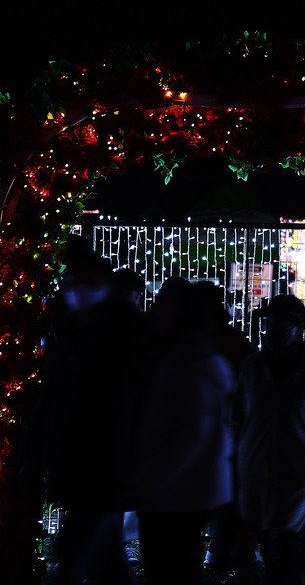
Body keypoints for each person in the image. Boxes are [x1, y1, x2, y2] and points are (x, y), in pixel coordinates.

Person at [20, 239, 147, 585]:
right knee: (106, 559)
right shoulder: (70, 334)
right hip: (82, 465)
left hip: (106, 467)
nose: (80, 291)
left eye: (88, 283)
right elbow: (52, 398)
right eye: (75, 283)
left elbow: (134, 405)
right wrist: (33, 455)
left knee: (75, 556)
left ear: (106, 287)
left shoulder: (126, 335)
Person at [234, 293, 305, 585]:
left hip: (297, 474)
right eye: (269, 325)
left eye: (280, 327)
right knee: (269, 542)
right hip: (256, 471)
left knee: (285, 548)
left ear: (298, 330)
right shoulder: (252, 367)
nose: (272, 333)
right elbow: (237, 417)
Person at [133, 277, 236, 585]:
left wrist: (149, 479)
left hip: (179, 491)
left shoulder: (188, 361)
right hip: (181, 489)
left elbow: (190, 436)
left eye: (164, 300)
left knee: (171, 569)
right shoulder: (182, 354)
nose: (155, 306)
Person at [192, 281, 259, 583]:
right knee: (234, 515)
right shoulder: (235, 342)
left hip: (205, 440)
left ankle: (211, 562)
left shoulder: (194, 341)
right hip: (229, 439)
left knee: (199, 517)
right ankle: (233, 564)